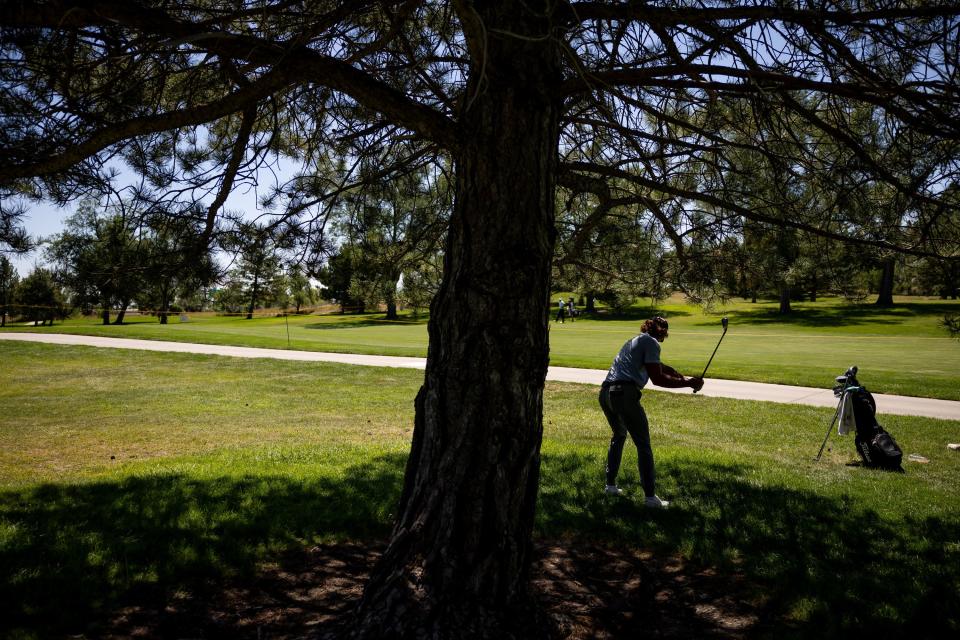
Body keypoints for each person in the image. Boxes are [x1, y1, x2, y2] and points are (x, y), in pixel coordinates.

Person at [599, 316, 703, 508]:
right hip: (625, 394)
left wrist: (682, 377)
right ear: (661, 331)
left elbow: (661, 367)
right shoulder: (652, 342)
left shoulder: (635, 341)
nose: (664, 334)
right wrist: (687, 383)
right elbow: (658, 379)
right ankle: (650, 498)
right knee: (643, 444)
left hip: (606, 393)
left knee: (619, 435)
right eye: (664, 330)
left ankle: (610, 485)